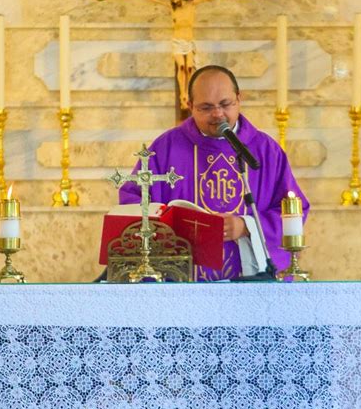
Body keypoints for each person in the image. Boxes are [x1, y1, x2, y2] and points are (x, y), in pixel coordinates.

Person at [119, 65, 309, 281]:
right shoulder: (165, 148)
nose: (218, 114)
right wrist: (173, 228)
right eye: (206, 107)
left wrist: (246, 226)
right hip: (181, 287)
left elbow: (295, 209)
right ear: (190, 106)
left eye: (225, 104)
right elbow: (133, 203)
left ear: (239, 99)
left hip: (250, 287)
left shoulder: (265, 150)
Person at [121, 0, 240, 110]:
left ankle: (188, 93)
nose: (175, 1)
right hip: (177, 41)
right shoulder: (172, 8)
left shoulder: (191, 5)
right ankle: (182, 94)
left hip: (188, 42)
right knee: (181, 67)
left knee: (189, 68)